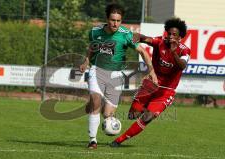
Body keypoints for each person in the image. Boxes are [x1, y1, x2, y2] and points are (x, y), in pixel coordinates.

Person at [79, 3, 157, 149]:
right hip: (97, 71)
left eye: (118, 20)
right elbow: (92, 47)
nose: (115, 23)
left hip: (116, 76)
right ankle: (92, 140)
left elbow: (143, 52)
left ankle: (95, 106)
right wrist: (86, 61)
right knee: (96, 101)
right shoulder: (95, 32)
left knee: (108, 114)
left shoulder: (126, 35)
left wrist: (151, 70)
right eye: (112, 20)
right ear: (107, 19)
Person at [110, 17, 191, 147]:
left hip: (166, 92)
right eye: (168, 33)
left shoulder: (184, 50)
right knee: (132, 115)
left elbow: (182, 65)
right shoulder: (160, 42)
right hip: (150, 85)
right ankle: (146, 109)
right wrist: (138, 36)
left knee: (147, 117)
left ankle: (119, 141)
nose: (170, 36)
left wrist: (174, 52)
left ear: (180, 37)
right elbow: (146, 39)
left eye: (174, 35)